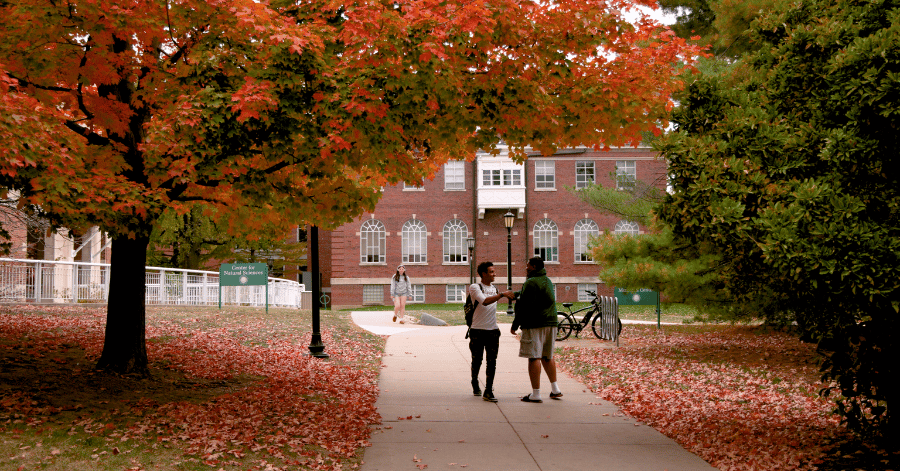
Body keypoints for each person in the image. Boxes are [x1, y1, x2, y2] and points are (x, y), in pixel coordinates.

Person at [507, 256, 562, 403]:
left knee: (534, 357)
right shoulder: (547, 281)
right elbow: (534, 294)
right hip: (551, 322)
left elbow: (524, 306)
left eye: (528, 266)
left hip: (535, 323)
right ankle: (555, 389)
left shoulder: (530, 282)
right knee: (547, 356)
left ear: (535, 267)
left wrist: (514, 325)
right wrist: (516, 293)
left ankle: (536, 394)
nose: (526, 268)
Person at [468, 262, 513, 402]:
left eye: (494, 271)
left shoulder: (495, 288)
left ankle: (488, 390)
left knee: (491, 362)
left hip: (492, 331)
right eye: (491, 272)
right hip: (477, 331)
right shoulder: (475, 287)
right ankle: (474, 381)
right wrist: (502, 295)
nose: (494, 274)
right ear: (483, 274)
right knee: (477, 360)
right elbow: (484, 302)